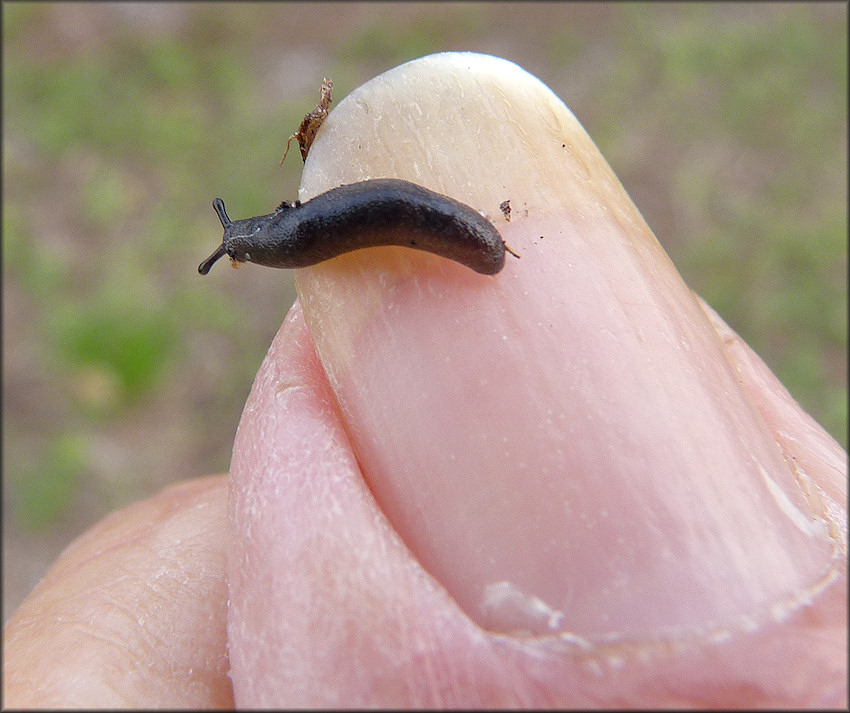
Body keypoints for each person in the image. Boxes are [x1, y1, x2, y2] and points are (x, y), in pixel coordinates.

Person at [3, 53, 846, 707]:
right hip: (421, 230)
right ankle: (290, 235)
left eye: (260, 240)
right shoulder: (313, 232)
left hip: (459, 234)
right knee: (358, 217)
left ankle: (437, 238)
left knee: (391, 218)